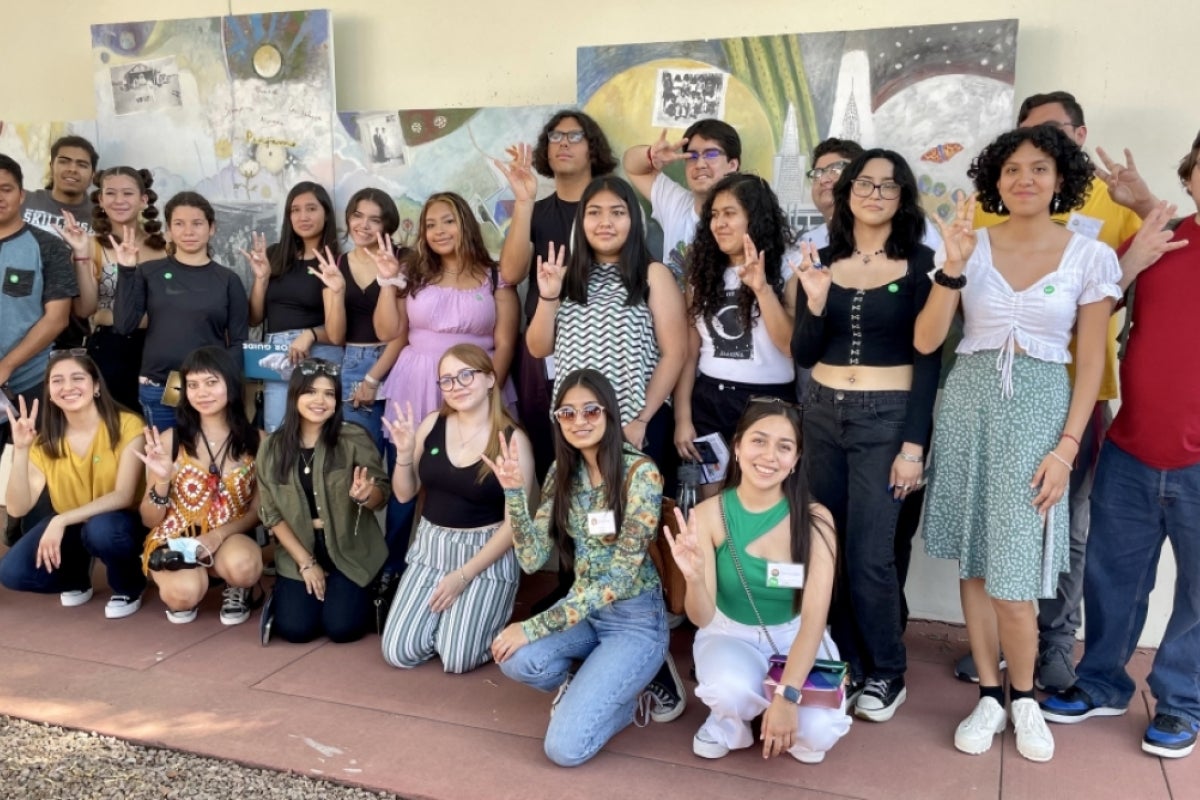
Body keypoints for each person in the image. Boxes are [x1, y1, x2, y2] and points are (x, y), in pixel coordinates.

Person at [915, 125, 1120, 762]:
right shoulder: (968, 245)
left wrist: (1066, 448)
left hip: (1038, 413)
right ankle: (987, 693)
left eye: (1038, 168)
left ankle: (1025, 698)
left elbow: (1090, 363)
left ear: (1061, 179)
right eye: (1010, 170)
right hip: (969, 405)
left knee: (1016, 573)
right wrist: (950, 268)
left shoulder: (1090, 257)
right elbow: (926, 342)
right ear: (994, 181)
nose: (1023, 179)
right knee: (976, 561)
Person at [959, 89, 1159, 692]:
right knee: (982, 536)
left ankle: (1050, 647)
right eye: (1016, 159)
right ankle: (995, 652)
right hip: (980, 396)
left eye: (1045, 152)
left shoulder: (1111, 212)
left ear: (1073, 142)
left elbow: (1152, 254)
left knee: (1063, 527)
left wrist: (1067, 443)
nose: (1028, 171)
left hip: (1067, 396)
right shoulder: (983, 229)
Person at [1039, 134, 1200, 759]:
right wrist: (1145, 215)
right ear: (1190, 175)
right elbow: (1091, 306)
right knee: (1112, 579)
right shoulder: (1163, 240)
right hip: (1132, 449)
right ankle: (1102, 680)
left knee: (1195, 594)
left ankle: (1181, 702)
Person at [792, 149, 941, 724]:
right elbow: (804, 352)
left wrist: (913, 446)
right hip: (822, 412)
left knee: (871, 553)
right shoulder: (822, 258)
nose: (874, 193)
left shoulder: (922, 263)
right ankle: (844, 658)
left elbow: (929, 360)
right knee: (825, 544)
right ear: (847, 191)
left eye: (888, 185)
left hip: (886, 416)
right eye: (864, 182)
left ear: (903, 197)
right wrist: (813, 301)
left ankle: (888, 670)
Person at [486, 369, 671, 767]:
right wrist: (515, 494)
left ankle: (625, 695)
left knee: (565, 750)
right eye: (567, 414)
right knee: (517, 659)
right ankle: (601, 684)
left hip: (634, 621)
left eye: (590, 410)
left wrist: (531, 626)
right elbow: (533, 559)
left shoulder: (641, 474)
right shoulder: (561, 473)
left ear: (609, 413)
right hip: (584, 616)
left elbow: (620, 578)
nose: (579, 421)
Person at [665, 399, 850, 762]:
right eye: (758, 441)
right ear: (737, 447)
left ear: (796, 459)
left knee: (816, 738)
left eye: (784, 447)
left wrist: (788, 696)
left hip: (795, 633)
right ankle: (730, 722)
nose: (769, 456)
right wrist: (694, 578)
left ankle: (772, 703)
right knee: (728, 690)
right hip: (728, 632)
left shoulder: (816, 520)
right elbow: (701, 618)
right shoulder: (709, 514)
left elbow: (814, 619)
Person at [373, 191, 520, 575]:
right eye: (430, 223)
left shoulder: (495, 275)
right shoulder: (414, 273)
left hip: (476, 384)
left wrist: (488, 395)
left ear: (466, 223)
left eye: (448, 220)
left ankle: (478, 570)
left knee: (471, 480)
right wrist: (389, 281)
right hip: (417, 382)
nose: (439, 230)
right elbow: (390, 331)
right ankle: (397, 572)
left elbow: (505, 342)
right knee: (408, 479)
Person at [381, 344, 534, 672]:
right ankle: (454, 623)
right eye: (447, 380)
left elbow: (515, 526)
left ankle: (483, 615)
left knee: (457, 658)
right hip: (431, 548)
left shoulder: (512, 439)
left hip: (484, 554)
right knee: (398, 652)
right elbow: (405, 495)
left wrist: (463, 576)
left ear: (491, 379)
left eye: (467, 375)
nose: (457, 385)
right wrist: (405, 455)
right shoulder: (432, 423)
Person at [526, 175, 687, 465]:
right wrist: (549, 297)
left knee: (633, 508)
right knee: (582, 509)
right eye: (594, 212)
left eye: (617, 212)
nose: (605, 222)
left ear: (634, 221)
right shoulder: (565, 278)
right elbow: (538, 348)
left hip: (635, 425)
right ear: (581, 221)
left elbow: (675, 353)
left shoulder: (653, 275)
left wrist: (641, 419)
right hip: (576, 426)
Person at [497, 109, 618, 482]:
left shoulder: (612, 213)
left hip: (598, 348)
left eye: (574, 136)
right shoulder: (537, 209)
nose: (562, 144)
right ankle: (555, 532)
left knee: (600, 449)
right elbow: (511, 273)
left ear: (593, 148)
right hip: (541, 348)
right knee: (548, 447)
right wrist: (523, 202)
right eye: (555, 136)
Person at [673, 173, 797, 494]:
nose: (719, 223)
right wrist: (683, 417)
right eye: (714, 215)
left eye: (730, 213)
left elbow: (791, 346)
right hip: (709, 401)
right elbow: (690, 350)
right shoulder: (702, 273)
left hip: (768, 404)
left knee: (761, 498)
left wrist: (762, 289)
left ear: (754, 218)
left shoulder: (789, 266)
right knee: (709, 497)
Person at [0, 351, 147, 617]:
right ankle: (76, 578)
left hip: (121, 522)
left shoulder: (128, 425)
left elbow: (124, 495)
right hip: (75, 524)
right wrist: (21, 450)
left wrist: (60, 520)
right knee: (12, 572)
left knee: (102, 530)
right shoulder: (44, 442)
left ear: (96, 386)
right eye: (57, 381)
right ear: (49, 391)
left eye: (77, 378)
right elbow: (17, 508)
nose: (67, 387)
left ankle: (128, 586)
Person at [256, 358, 390, 644]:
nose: (320, 400)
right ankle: (289, 593)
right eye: (311, 392)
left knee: (342, 629)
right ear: (295, 396)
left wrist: (367, 494)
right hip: (300, 547)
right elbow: (271, 513)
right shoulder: (271, 448)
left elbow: (381, 494)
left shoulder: (353, 437)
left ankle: (364, 590)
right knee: (296, 630)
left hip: (350, 547)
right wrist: (306, 563)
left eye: (329, 394)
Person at [136, 346, 264, 625]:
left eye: (211, 382)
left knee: (245, 567)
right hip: (176, 539)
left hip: (228, 538)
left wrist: (217, 536)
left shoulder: (257, 441)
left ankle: (236, 585)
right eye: (192, 385)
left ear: (230, 384)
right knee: (183, 595)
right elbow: (149, 519)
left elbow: (257, 511)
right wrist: (161, 480)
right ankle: (189, 578)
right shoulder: (169, 441)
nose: (202, 393)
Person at [113, 192, 249, 432]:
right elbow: (124, 325)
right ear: (168, 230)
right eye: (179, 224)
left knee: (206, 462)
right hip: (164, 384)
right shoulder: (149, 272)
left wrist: (218, 384)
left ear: (212, 228)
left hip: (208, 389)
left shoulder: (228, 280)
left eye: (197, 223)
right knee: (167, 461)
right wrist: (126, 271)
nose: (189, 231)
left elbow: (239, 342)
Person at [56, 166, 166, 412]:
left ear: (143, 200)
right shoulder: (91, 244)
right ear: (101, 200)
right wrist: (81, 254)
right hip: (110, 349)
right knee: (113, 426)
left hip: (161, 349)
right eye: (111, 193)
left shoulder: (167, 246)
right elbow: (85, 309)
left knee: (163, 423)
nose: (119, 200)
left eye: (127, 193)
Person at [241, 181, 346, 432]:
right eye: (295, 210)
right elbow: (255, 318)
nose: (303, 216)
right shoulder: (276, 254)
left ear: (326, 213)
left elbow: (339, 333)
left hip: (320, 352)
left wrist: (308, 335)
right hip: (279, 354)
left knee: (319, 435)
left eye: (311, 208)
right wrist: (262, 278)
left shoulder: (335, 261)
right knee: (278, 432)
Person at [0, 154, 77, 424]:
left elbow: (57, 319)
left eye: (5, 189)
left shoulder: (49, 246)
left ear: (21, 195)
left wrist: (6, 366)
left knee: (31, 464)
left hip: (30, 383)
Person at [623, 119, 742, 282]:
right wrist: (651, 155)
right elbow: (633, 167)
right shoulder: (676, 202)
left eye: (711, 154)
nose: (700, 163)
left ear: (732, 165)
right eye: (692, 155)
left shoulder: (749, 217)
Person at [335, 188, 406, 448]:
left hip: (398, 361)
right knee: (362, 455)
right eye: (357, 215)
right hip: (354, 362)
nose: (363, 225)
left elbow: (402, 332)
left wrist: (372, 377)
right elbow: (336, 335)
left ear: (387, 225)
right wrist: (335, 293)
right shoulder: (338, 263)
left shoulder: (403, 260)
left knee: (401, 455)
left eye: (374, 220)